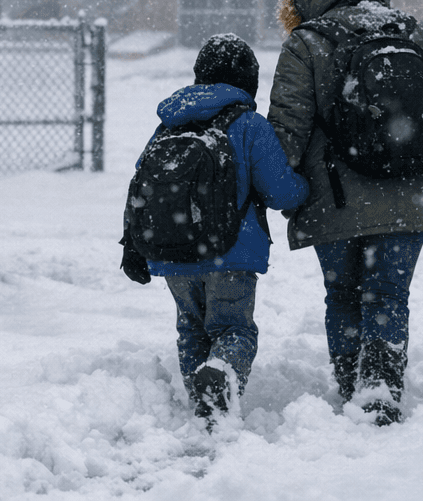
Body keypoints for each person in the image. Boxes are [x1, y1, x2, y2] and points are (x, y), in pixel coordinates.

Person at [267, 0, 423, 426]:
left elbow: (286, 130)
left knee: (343, 295)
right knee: (388, 294)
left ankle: (353, 387)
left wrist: (269, 193)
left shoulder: (307, 42)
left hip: (333, 201)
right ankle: (381, 389)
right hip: (413, 195)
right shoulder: (416, 33)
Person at [121, 33, 309, 424]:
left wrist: (133, 245)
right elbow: (280, 192)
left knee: (191, 331)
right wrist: (307, 187)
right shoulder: (250, 125)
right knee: (234, 329)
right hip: (231, 254)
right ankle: (220, 380)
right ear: (249, 81)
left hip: (172, 252)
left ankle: (202, 406)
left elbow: (141, 183)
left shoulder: (169, 124)